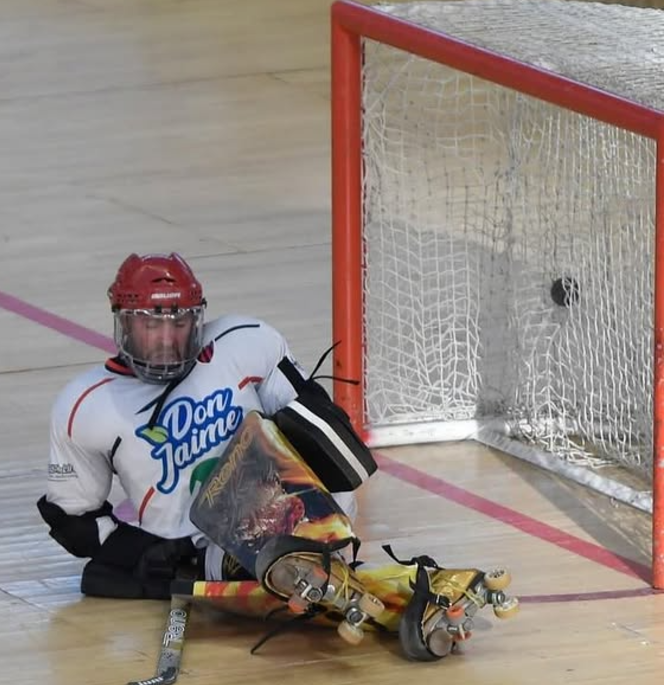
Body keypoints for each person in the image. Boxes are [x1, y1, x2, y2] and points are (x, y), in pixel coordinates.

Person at [37, 252, 518, 660]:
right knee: (267, 555)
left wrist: (320, 449)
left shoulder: (243, 342)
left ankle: (326, 575)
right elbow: (74, 521)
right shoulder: (87, 405)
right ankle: (424, 594)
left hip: (301, 506)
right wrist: (149, 554)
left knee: (293, 480)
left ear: (197, 318)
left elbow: (322, 432)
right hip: (207, 548)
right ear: (123, 321)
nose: (166, 341)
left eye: (179, 323)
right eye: (149, 324)